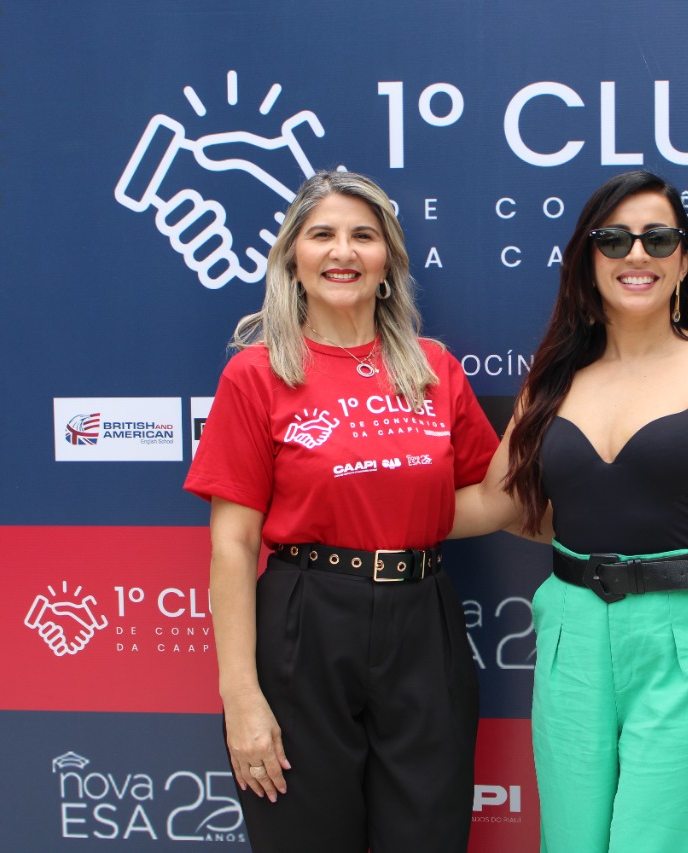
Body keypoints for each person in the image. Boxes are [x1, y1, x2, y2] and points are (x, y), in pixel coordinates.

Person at [452, 170, 688, 853]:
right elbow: (498, 501)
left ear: (684, 260)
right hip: (572, 632)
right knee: (573, 841)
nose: (636, 254)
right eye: (613, 240)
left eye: (658, 238)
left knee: (666, 840)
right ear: (588, 261)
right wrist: (368, 512)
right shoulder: (553, 380)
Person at [184, 170, 498, 853]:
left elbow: (484, 498)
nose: (343, 252)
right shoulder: (255, 374)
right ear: (292, 258)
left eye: (364, 235)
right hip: (305, 622)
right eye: (322, 234)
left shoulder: (434, 369)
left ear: (388, 260)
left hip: (424, 621)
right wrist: (241, 696)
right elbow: (233, 544)